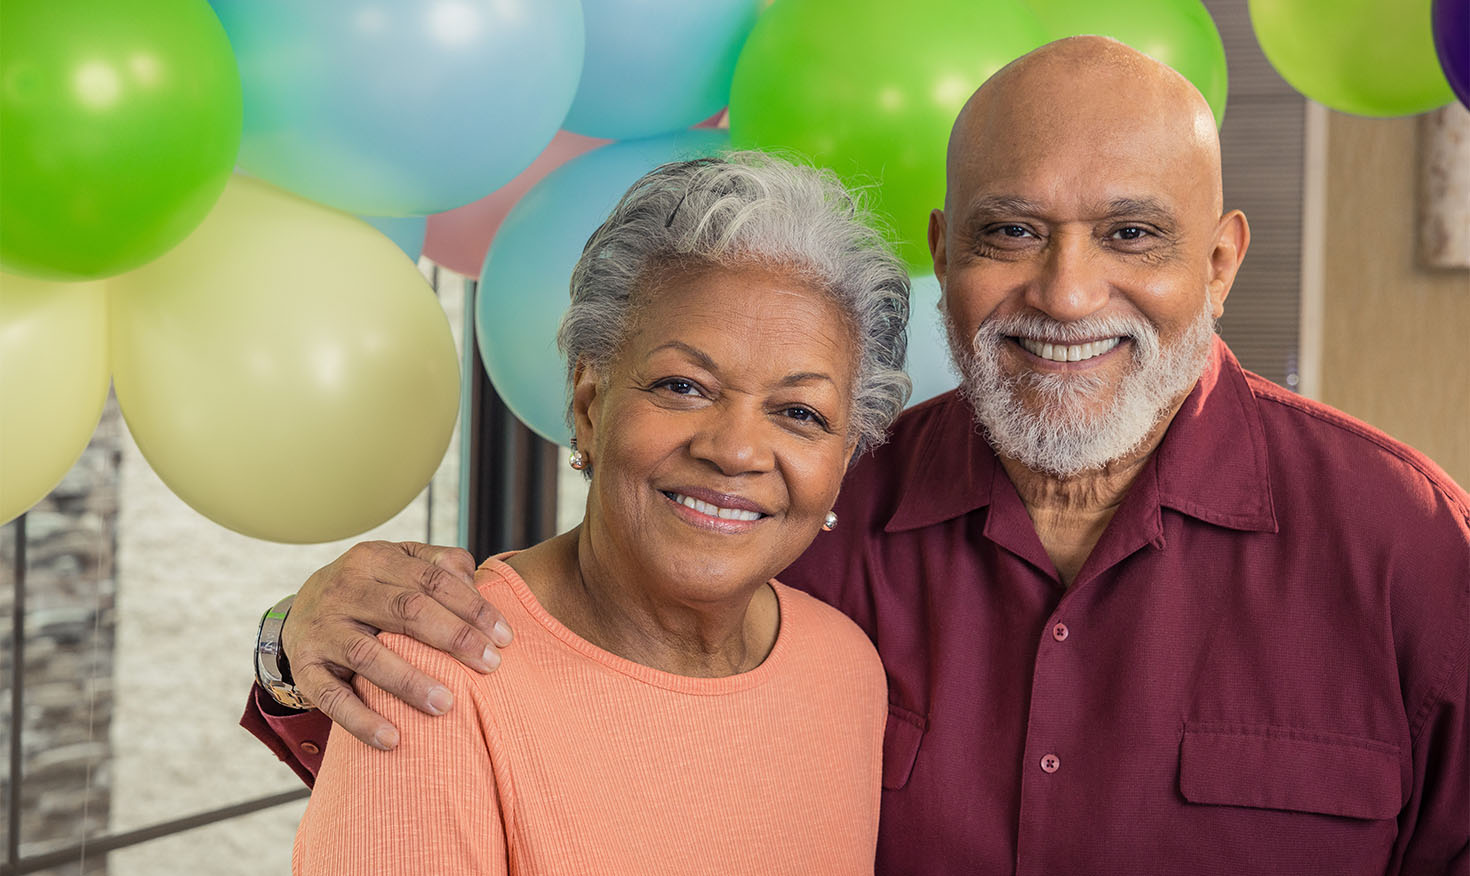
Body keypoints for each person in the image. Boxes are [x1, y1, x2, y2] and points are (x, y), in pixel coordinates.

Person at [246, 37, 1469, 875]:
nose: (1067, 289)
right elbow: (563, 698)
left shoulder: (1408, 547)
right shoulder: (814, 510)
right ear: (949, 251)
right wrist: (292, 650)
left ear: (1218, 261)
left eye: (1133, 233)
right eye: (1012, 231)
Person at [287, 151, 913, 873]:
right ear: (589, 408)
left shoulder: (846, 668)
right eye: (685, 385)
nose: (736, 450)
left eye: (799, 412)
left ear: (844, 458)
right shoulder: (439, 673)